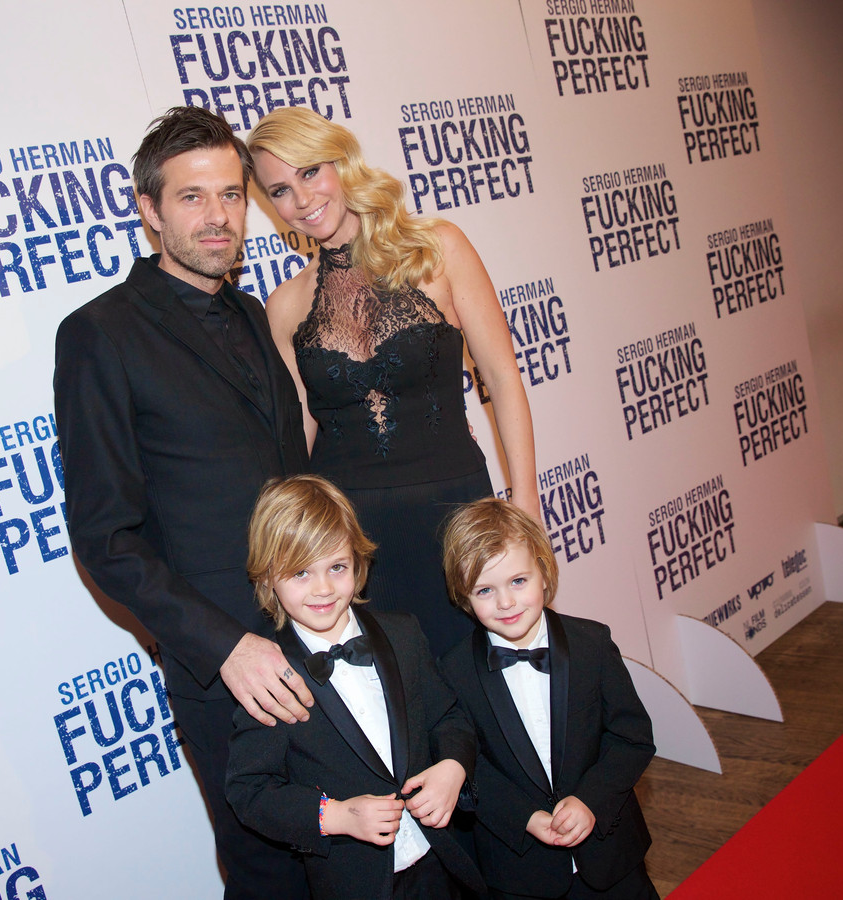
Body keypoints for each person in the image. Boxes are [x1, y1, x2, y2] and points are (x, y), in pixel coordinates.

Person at [53, 106, 312, 900]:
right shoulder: (99, 334)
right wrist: (226, 647)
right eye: (192, 197)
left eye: (231, 195)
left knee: (344, 854)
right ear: (150, 209)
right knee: (270, 873)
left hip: (316, 630)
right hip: (226, 667)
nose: (217, 216)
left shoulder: (251, 311)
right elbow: (106, 537)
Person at [247, 106, 540, 657]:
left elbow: (502, 378)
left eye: (310, 172)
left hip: (456, 509)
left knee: (482, 672)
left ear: (341, 162)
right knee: (397, 685)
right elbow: (299, 437)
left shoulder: (438, 249)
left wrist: (524, 500)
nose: (302, 199)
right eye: (280, 190)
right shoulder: (285, 305)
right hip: (353, 536)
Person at [225, 474, 486, 900]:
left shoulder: (403, 634)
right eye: (301, 572)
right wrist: (336, 816)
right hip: (355, 884)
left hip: (441, 863)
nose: (323, 588)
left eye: (337, 567)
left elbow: (449, 716)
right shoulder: (269, 678)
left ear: (358, 564)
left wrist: (454, 767)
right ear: (269, 578)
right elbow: (249, 791)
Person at [436, 499, 657, 900]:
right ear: (463, 596)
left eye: (518, 581)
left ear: (543, 571)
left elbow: (633, 738)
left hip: (612, 860)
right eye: (485, 590)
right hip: (520, 873)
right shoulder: (453, 672)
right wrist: (524, 817)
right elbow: (468, 768)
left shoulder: (592, 643)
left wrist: (591, 801)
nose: (505, 602)